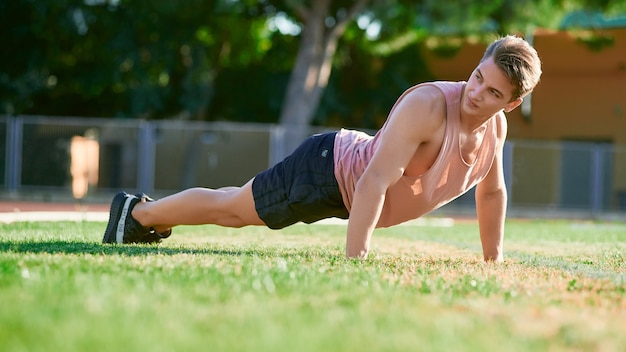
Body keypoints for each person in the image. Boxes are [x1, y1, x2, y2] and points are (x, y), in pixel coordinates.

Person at [103, 35, 542, 262]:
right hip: (327, 170)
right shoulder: (427, 106)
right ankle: (137, 215)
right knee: (233, 210)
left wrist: (493, 259)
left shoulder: (495, 131)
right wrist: (358, 257)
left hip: (350, 194)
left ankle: (140, 214)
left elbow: (492, 193)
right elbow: (374, 180)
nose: (476, 92)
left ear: (512, 103)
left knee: (232, 207)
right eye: (478, 76)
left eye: (492, 92)